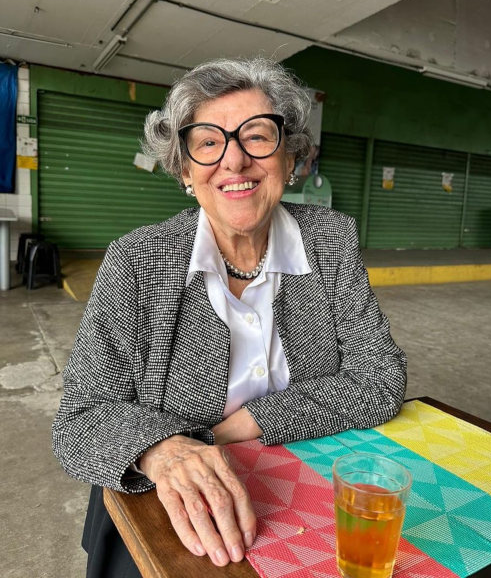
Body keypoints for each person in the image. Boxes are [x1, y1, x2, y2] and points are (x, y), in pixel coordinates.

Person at [52, 57, 406, 577]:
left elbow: (379, 380)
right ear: (185, 171)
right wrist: (164, 450)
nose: (234, 161)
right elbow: (79, 419)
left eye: (257, 136)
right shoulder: (139, 258)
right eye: (208, 142)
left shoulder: (331, 240)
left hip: (301, 485)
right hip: (170, 500)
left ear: (290, 158)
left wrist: (240, 427)